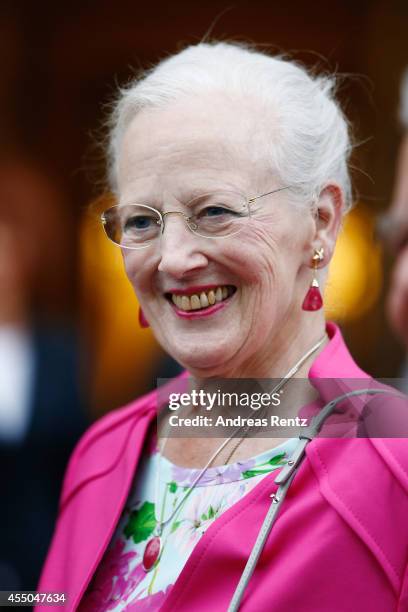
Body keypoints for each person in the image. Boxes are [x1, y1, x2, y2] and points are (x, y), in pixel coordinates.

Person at [37, 42, 408, 611]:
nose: (173, 259)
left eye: (215, 211)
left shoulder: (394, 468)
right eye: (142, 221)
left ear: (321, 221)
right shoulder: (103, 453)